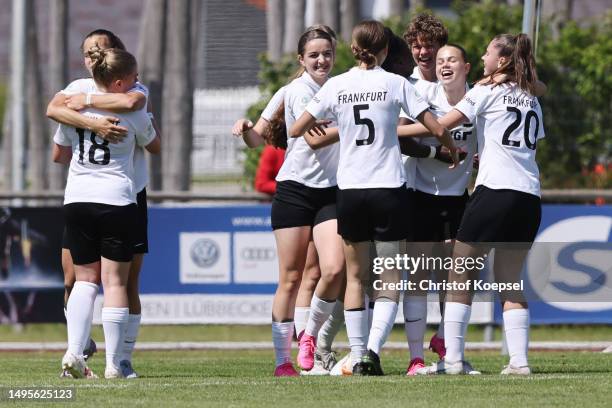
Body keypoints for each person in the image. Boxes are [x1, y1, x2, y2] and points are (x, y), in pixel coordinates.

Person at [291, 20, 458, 376]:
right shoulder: (396, 83)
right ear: (385, 51)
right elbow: (436, 127)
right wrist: (450, 149)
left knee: (354, 277)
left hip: (349, 190)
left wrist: (338, 126)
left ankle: (353, 350)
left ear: (354, 49)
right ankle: (369, 352)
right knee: (389, 278)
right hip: (388, 188)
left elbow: (296, 128)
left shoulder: (337, 85)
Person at [409, 33, 545, 375]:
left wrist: (393, 132)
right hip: (528, 195)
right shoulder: (530, 99)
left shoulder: (484, 91)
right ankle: (519, 362)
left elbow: (441, 125)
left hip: (495, 192)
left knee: (459, 276)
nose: (483, 57)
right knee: (509, 280)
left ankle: (452, 360)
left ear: (501, 61)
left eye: (487, 53)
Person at [47, 29, 160, 379]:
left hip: (79, 196)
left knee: (85, 281)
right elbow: (154, 145)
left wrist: (84, 116)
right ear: (122, 77)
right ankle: (114, 364)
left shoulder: (82, 94)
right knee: (114, 283)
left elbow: (59, 152)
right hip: (117, 198)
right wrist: (97, 123)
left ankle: (74, 353)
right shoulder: (119, 98)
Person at [397, 44, 476, 375]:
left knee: (457, 276)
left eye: (451, 60)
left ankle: (448, 352)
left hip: (459, 197)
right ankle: (416, 358)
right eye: (440, 60)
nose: (444, 65)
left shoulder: (479, 98)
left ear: (466, 67)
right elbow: (401, 137)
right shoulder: (423, 94)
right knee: (417, 275)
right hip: (422, 195)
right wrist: (437, 153)